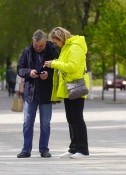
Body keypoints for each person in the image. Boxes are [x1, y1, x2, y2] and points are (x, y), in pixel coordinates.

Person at [44, 27, 90, 159]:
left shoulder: (74, 47)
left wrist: (54, 64)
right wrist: (54, 63)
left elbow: (72, 67)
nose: (55, 45)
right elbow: (64, 63)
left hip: (76, 85)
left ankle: (83, 149)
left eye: (56, 42)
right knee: (71, 119)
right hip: (68, 86)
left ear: (61, 38)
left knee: (77, 118)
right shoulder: (66, 48)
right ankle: (73, 148)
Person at [16, 30, 60, 158]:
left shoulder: (53, 52)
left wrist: (48, 75)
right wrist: (29, 72)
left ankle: (44, 149)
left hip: (46, 93)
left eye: (40, 46)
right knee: (27, 122)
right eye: (36, 45)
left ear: (46, 42)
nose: (38, 48)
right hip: (30, 93)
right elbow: (20, 69)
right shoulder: (27, 51)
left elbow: (59, 70)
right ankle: (26, 150)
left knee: (45, 123)